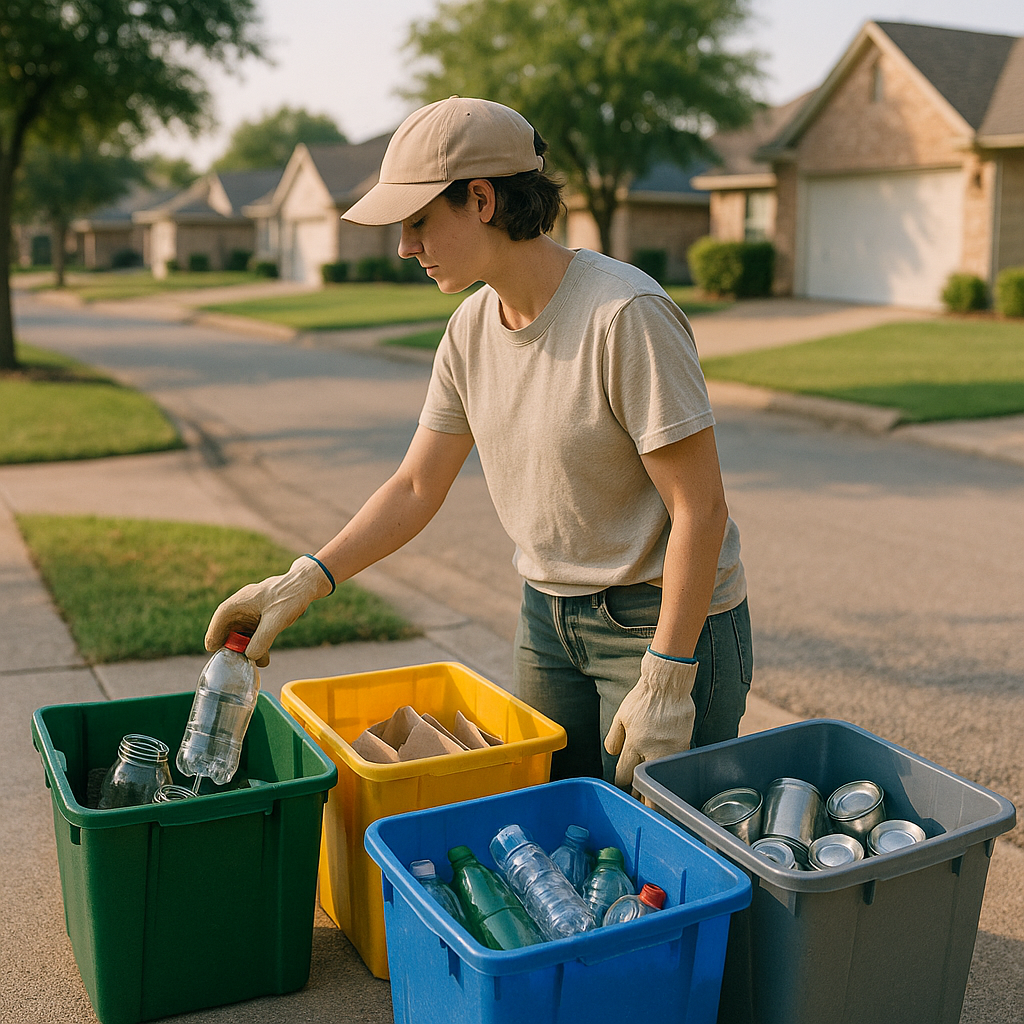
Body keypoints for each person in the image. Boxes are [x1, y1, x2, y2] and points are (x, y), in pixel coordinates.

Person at [204, 96, 752, 788]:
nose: (405, 246)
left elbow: (700, 509)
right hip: (548, 617)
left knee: (664, 849)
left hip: (660, 618)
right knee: (562, 832)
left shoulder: (625, 316)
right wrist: (306, 578)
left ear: (483, 200)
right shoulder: (469, 330)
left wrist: (671, 675)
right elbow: (415, 486)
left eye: (419, 222)